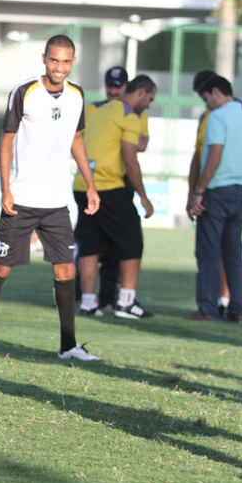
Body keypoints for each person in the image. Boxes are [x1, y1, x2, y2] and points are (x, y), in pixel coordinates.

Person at [0, 34, 100, 361]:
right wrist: (6, 188)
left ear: (73, 62)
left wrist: (91, 184)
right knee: (1, 268)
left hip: (56, 203)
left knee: (65, 272)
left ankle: (68, 346)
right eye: (54, 60)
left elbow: (77, 140)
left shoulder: (77, 96)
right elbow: (6, 140)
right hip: (22, 199)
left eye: (66, 61)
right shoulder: (25, 92)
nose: (59, 67)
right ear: (45, 58)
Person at [74, 75, 156, 319]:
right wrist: (143, 196)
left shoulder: (98, 110)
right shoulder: (129, 115)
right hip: (108, 186)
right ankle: (126, 302)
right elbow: (130, 158)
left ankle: (88, 302)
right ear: (140, 92)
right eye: (150, 99)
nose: (149, 105)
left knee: (90, 243)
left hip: (82, 184)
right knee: (132, 241)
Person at [187, 70, 242, 316]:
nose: (206, 105)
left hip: (217, 192)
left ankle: (207, 309)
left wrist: (199, 191)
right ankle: (236, 310)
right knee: (233, 255)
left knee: (208, 252)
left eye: (207, 99)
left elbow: (214, 154)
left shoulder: (217, 117)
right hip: (240, 192)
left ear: (216, 93)